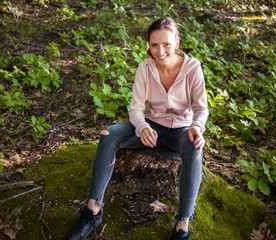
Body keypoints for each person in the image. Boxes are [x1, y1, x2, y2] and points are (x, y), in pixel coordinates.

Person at [68, 16, 209, 240]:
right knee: (108, 134)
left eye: (166, 44)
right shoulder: (145, 68)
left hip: (182, 129)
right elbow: (135, 108)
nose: (160, 51)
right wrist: (142, 126)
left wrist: (197, 127)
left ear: (177, 42)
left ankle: (182, 224)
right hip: (152, 126)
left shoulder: (192, 68)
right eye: (154, 45)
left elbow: (202, 108)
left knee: (195, 147)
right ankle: (93, 210)